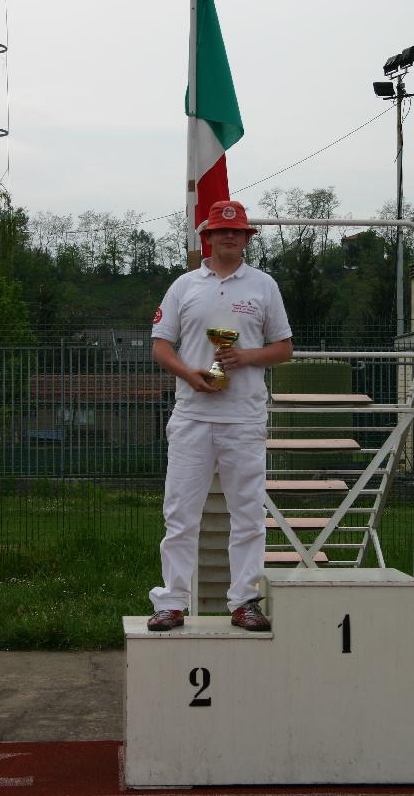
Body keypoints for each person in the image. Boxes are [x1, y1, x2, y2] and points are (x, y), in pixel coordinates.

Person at [148, 200, 292, 631]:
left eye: (237, 231)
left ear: (246, 238)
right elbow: (160, 346)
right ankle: (172, 601)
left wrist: (245, 356)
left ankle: (244, 600)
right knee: (180, 513)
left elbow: (283, 348)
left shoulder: (264, 285)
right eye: (221, 231)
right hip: (192, 415)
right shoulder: (184, 286)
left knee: (247, 514)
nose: (229, 236)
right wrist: (188, 374)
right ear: (207, 237)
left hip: (244, 417)